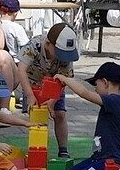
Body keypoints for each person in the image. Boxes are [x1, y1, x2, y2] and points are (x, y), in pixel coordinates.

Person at [60, 60, 120, 170]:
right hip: (99, 158)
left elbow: (84, 93)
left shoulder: (115, 101)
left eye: (96, 84)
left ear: (105, 82)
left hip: (112, 161)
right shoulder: (111, 102)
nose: (95, 89)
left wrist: (64, 79)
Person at [26, 21, 80, 158]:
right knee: (37, 116)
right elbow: (21, 70)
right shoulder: (34, 45)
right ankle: (36, 149)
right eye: (59, 52)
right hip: (33, 85)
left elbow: (64, 80)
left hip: (55, 84)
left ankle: (63, 149)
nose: (63, 57)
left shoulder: (66, 56)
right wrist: (29, 95)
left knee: (60, 114)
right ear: (48, 44)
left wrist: (53, 100)